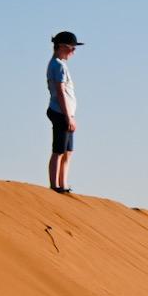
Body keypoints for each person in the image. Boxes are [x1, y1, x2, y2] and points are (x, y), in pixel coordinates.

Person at [46, 31, 83, 193]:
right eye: (71, 48)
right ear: (61, 47)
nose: (73, 52)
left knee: (68, 151)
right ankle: (55, 186)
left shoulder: (59, 64)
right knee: (59, 151)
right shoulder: (57, 66)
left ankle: (63, 183)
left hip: (66, 113)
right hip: (61, 113)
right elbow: (60, 92)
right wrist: (68, 117)